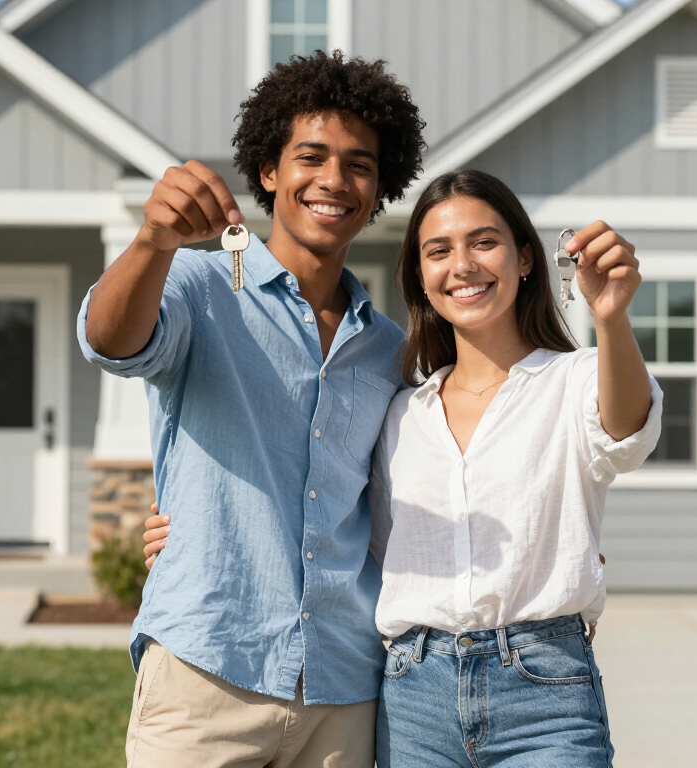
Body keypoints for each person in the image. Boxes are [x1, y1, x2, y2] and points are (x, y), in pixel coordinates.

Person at [146, 169, 660, 766]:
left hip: (544, 695)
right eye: (438, 251)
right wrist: (188, 534)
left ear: (525, 259)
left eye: (484, 242)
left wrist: (611, 316)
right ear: (421, 278)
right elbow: (341, 524)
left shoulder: (574, 382)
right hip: (414, 695)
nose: (462, 265)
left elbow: (626, 431)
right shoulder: (400, 410)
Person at [78, 51, 425, 767]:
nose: (335, 179)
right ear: (269, 171)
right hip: (207, 674)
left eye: (359, 164)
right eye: (312, 156)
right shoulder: (201, 288)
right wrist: (153, 239)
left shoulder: (389, 351)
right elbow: (110, 341)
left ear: (379, 186)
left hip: (342, 690)